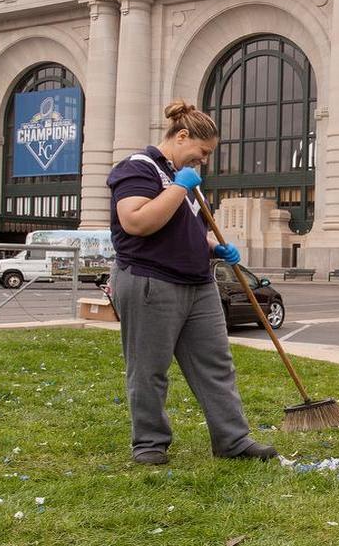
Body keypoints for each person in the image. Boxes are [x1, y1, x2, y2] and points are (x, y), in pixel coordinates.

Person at [107, 100, 277, 465]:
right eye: (202, 152)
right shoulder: (139, 169)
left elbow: (188, 231)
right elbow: (135, 222)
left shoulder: (186, 182)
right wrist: (178, 188)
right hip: (151, 281)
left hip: (198, 284)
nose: (203, 161)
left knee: (216, 364)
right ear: (182, 136)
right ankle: (150, 443)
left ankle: (232, 439)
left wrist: (216, 246)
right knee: (149, 367)